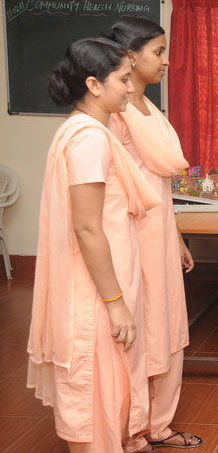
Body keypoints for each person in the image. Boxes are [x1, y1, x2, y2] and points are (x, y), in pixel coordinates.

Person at [27, 37, 161, 452]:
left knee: (108, 392)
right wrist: (115, 300)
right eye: (122, 79)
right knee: (95, 397)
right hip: (95, 294)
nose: (130, 87)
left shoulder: (83, 131)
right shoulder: (89, 138)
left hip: (99, 286)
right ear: (94, 84)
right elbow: (87, 228)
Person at [106, 17, 202, 450]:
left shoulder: (150, 109)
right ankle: (133, 430)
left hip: (161, 232)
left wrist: (177, 236)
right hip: (131, 235)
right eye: (158, 52)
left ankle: (159, 424)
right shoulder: (116, 114)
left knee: (167, 324)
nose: (165, 60)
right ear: (130, 57)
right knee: (140, 330)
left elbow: (160, 184)